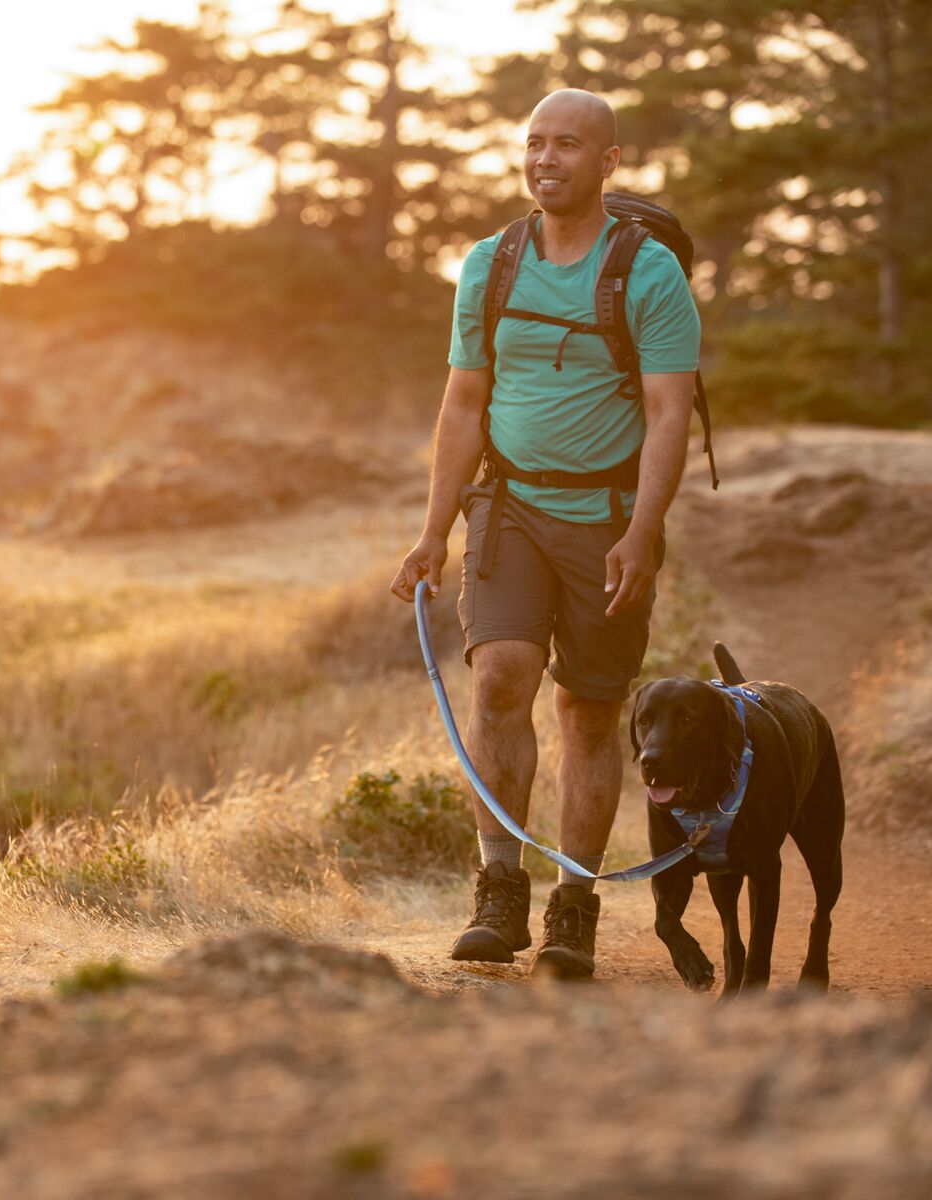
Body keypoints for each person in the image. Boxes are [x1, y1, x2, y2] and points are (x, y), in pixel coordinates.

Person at [389, 88, 701, 979]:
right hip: (508, 508)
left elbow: (668, 412)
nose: (545, 159)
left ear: (608, 161)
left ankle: (575, 906)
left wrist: (642, 531)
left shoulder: (649, 274)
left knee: (589, 713)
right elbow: (463, 401)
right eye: (534, 143)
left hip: (607, 517)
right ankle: (498, 890)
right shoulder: (490, 265)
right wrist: (433, 530)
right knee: (499, 679)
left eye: (567, 144)